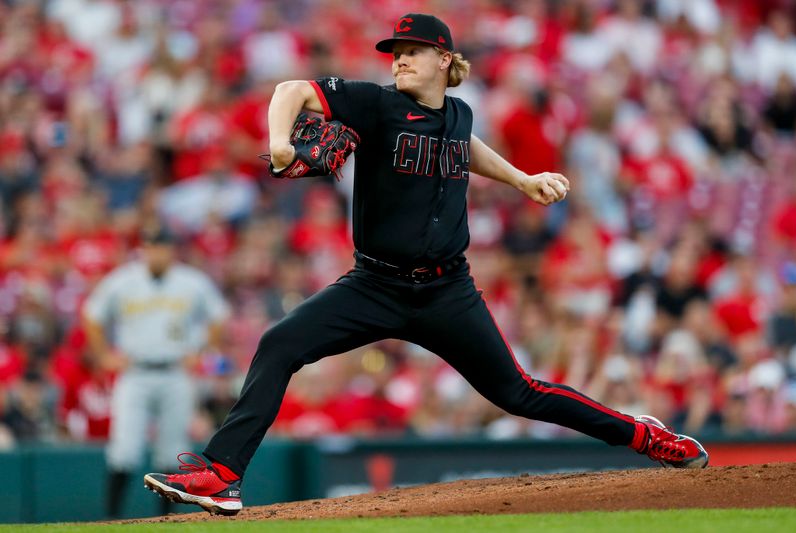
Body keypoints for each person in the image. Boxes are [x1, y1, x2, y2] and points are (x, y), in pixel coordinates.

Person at [143, 14, 709, 517]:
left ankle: (643, 436)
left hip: (446, 292)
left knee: (520, 393)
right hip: (372, 283)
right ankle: (223, 475)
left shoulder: (458, 114)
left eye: (412, 50)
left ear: (444, 59)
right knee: (278, 345)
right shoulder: (374, 103)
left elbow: (465, 147)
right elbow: (291, 90)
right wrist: (279, 141)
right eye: (396, 52)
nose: (401, 60)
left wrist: (521, 180)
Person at [83, 225, 230, 518]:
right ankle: (111, 520)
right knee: (124, 449)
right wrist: (103, 355)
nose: (156, 252)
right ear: (144, 249)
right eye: (151, 246)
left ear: (171, 250)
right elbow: (92, 314)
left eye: (161, 246)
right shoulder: (123, 280)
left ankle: (167, 520)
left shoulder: (191, 281)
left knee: (172, 450)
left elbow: (219, 315)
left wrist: (203, 352)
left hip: (176, 373)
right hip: (136, 373)